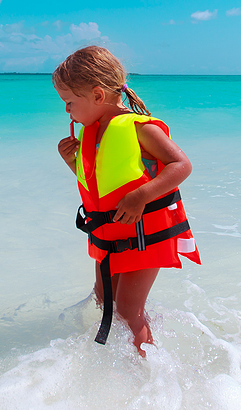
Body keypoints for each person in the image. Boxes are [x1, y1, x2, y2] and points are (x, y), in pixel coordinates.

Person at [54, 46, 201, 356]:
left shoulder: (138, 128)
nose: (67, 111)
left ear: (97, 95)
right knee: (103, 298)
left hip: (144, 237)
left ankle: (150, 373)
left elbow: (181, 165)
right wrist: (72, 161)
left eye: (69, 102)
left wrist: (141, 196)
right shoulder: (95, 134)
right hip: (112, 236)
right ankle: (117, 359)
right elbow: (98, 186)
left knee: (127, 310)